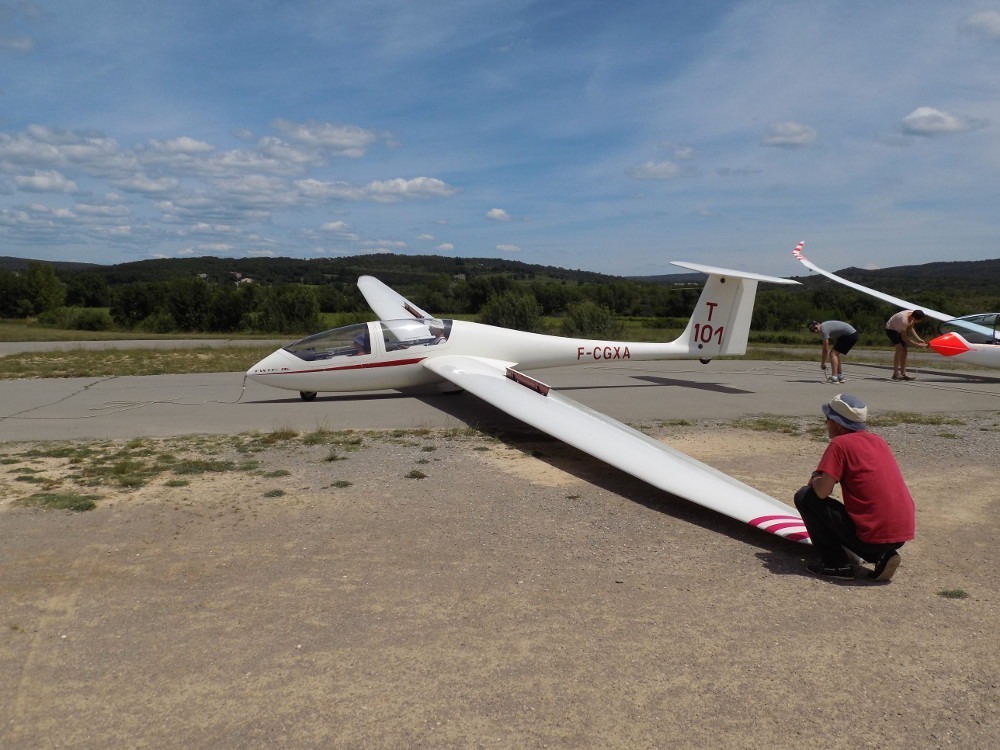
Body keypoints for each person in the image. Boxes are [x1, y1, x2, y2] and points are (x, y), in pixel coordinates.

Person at [794, 393, 915, 582]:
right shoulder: (878, 440)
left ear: (839, 424)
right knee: (861, 520)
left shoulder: (839, 444)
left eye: (828, 419)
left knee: (805, 497)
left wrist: (815, 477)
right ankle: (882, 556)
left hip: (871, 535)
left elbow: (821, 491)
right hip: (900, 535)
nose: (826, 424)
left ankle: (836, 564)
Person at [885, 309, 927, 380]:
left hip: (899, 328)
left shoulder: (912, 315)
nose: (918, 322)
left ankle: (903, 373)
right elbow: (904, 338)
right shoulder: (903, 320)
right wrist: (917, 345)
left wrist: (918, 339)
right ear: (914, 318)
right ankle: (895, 373)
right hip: (891, 329)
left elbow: (911, 328)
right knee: (900, 348)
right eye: (918, 321)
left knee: (905, 350)